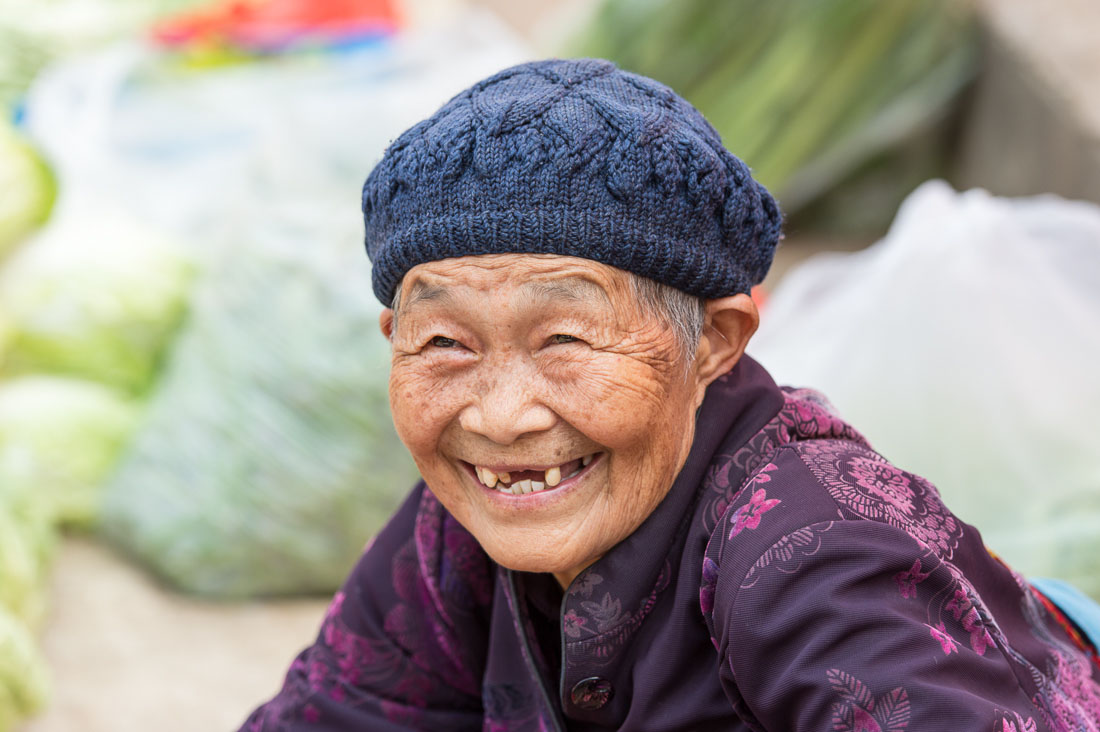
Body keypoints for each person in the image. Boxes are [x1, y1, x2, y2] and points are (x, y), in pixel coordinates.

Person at [238, 58, 1100, 731]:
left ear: (714, 345)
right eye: (445, 345)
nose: (499, 417)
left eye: (565, 341)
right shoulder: (455, 533)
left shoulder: (818, 554)